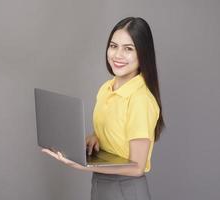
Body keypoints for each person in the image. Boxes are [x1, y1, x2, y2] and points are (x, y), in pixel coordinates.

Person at [42, 17, 165, 200]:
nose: (117, 55)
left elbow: (137, 166)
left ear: (143, 54)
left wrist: (82, 165)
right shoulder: (106, 88)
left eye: (128, 49)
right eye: (113, 46)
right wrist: (94, 137)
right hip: (101, 184)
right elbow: (113, 132)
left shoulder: (140, 99)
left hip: (125, 189)